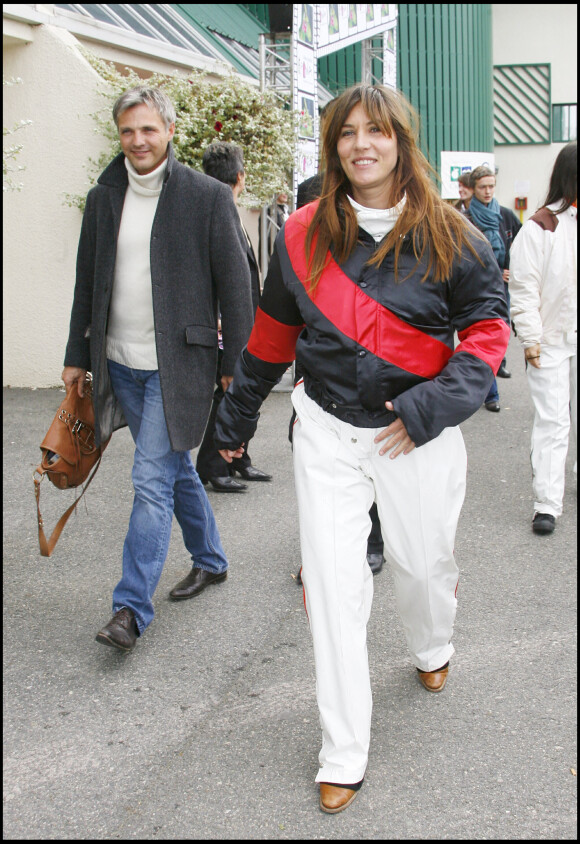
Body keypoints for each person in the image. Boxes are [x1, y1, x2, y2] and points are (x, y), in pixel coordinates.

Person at [214, 84, 509, 813]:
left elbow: (486, 336)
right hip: (326, 429)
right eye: (347, 133)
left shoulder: (454, 233)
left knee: (421, 566)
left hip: (417, 434)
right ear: (333, 145)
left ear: (401, 141)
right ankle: (343, 747)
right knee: (334, 590)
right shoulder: (302, 233)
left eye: (376, 131)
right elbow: (272, 337)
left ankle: (433, 644)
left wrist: (431, 406)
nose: (361, 145)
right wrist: (233, 423)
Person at [62, 86, 254, 652]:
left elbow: (235, 290)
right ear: (119, 135)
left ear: (169, 131)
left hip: (180, 367)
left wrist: (233, 367)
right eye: (128, 130)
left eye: (148, 129)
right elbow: (86, 282)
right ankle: (212, 559)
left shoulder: (205, 196)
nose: (138, 140)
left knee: (150, 481)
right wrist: (77, 353)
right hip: (120, 363)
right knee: (176, 470)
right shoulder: (104, 196)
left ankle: (129, 609)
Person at [296, 160, 384, 578]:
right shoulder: (302, 235)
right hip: (315, 377)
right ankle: (324, 549)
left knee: (374, 460)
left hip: (369, 379)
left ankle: (374, 539)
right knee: (318, 464)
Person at [192, 141, 272, 494]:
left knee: (240, 391)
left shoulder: (224, 210)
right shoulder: (213, 213)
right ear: (240, 176)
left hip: (240, 323)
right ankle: (213, 464)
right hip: (224, 325)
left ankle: (238, 458)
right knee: (228, 391)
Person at [509, 141, 577, 535]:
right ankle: (547, 503)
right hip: (549, 339)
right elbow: (523, 286)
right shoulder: (541, 226)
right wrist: (530, 337)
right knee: (553, 420)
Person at [467, 165, 522, 409]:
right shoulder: (465, 219)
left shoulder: (507, 215)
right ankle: (491, 394)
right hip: (477, 288)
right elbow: (466, 257)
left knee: (500, 335)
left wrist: (514, 270)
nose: (488, 191)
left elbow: (520, 249)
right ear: (473, 189)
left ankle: (492, 376)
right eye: (482, 187)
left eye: (491, 186)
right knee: (483, 338)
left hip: (503, 289)